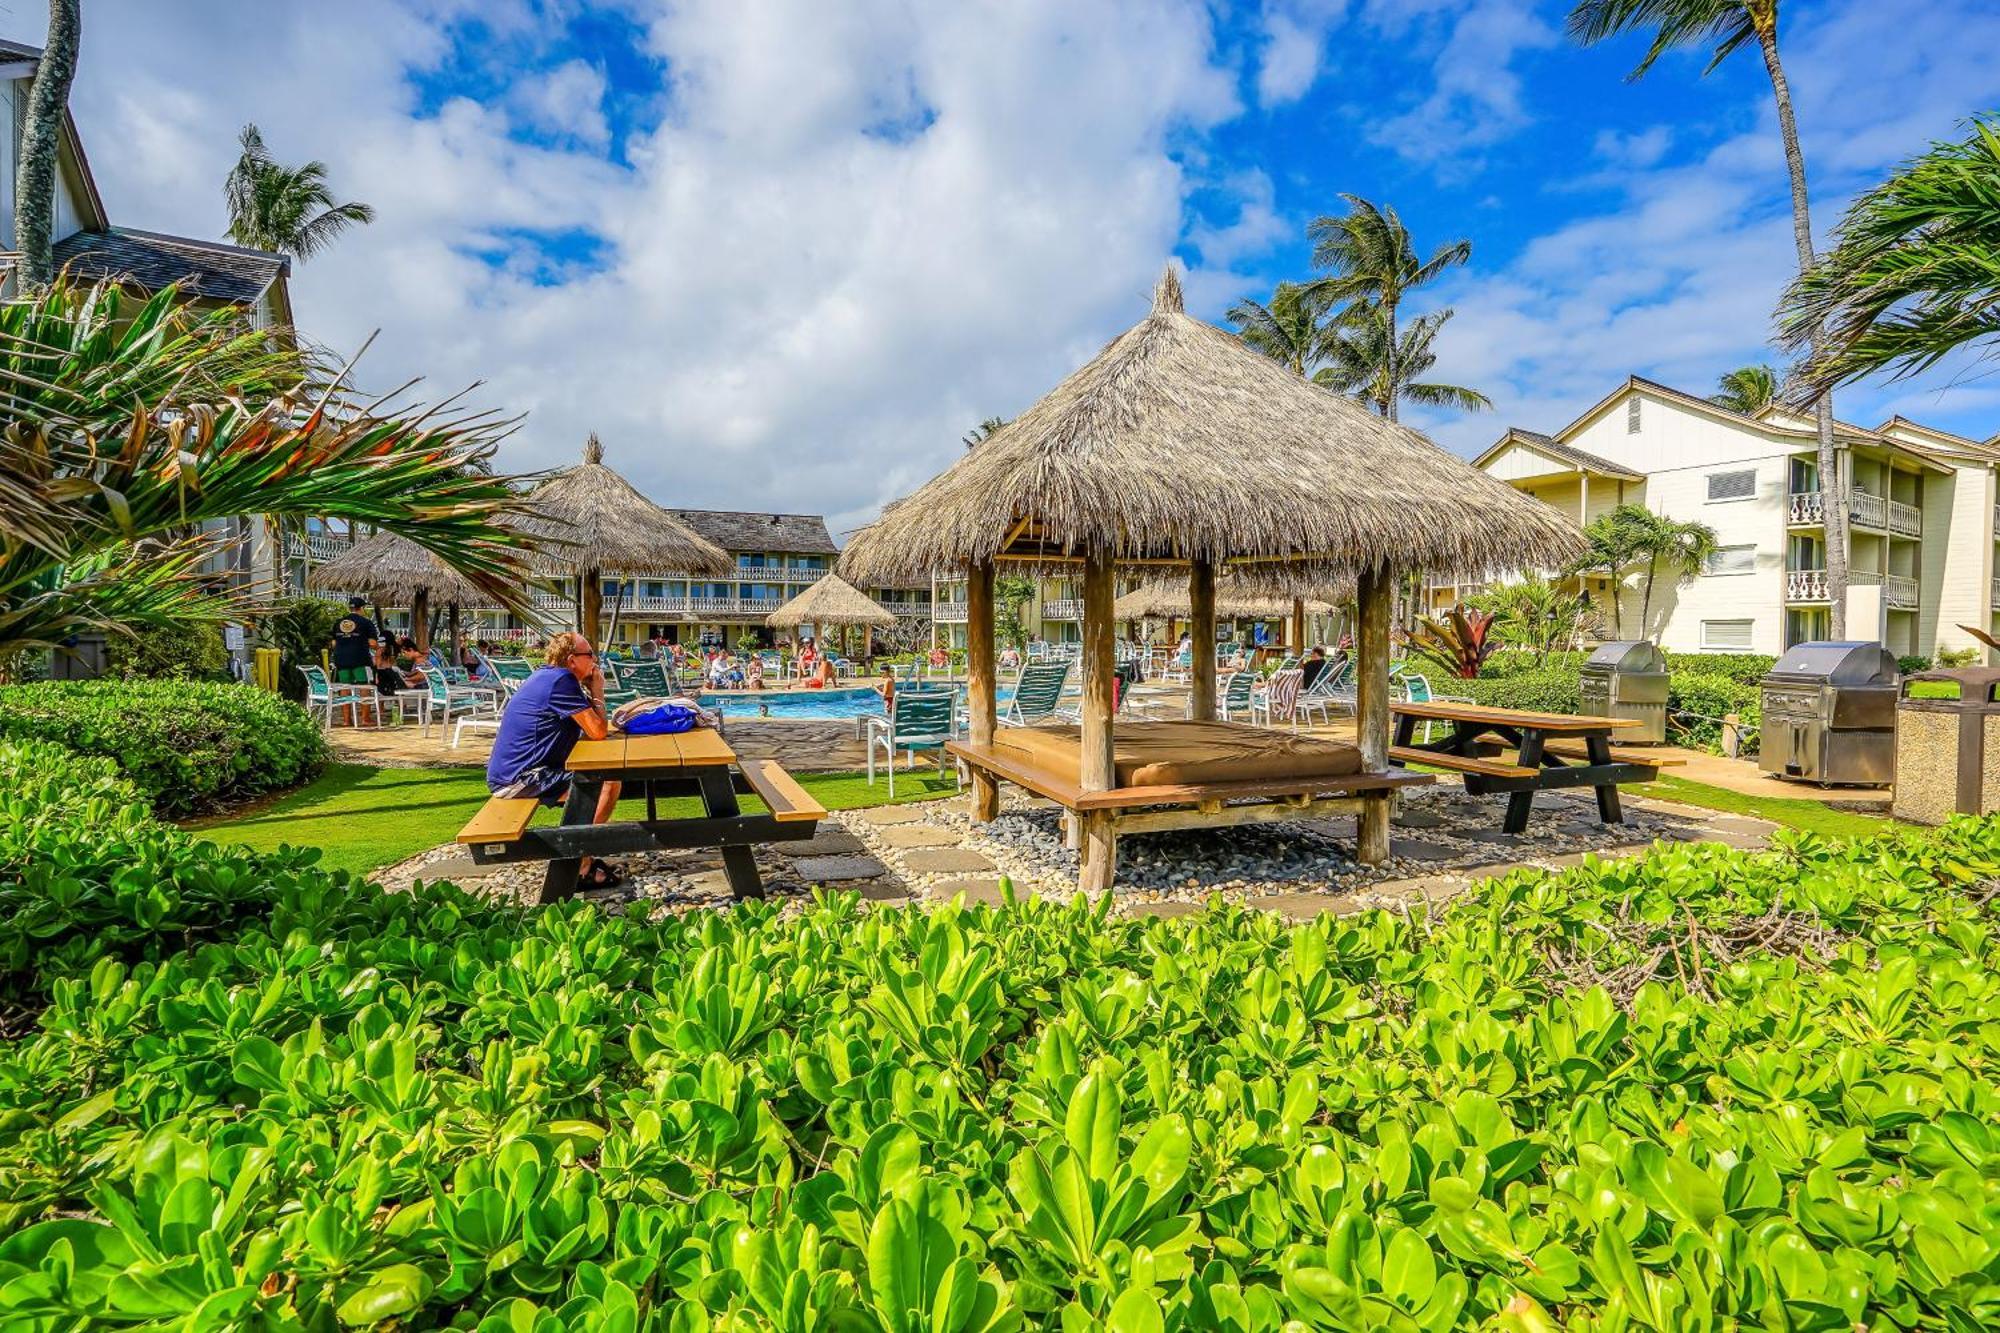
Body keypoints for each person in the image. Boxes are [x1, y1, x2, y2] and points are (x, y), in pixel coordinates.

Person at [486, 632, 624, 890]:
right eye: (590, 655)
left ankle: (581, 855)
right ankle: (580, 863)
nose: (595, 660)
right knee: (605, 784)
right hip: (519, 778)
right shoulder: (561, 681)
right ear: (572, 660)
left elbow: (588, 728)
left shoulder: (549, 676)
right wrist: (597, 689)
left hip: (521, 772)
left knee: (600, 779)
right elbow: (597, 731)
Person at [330, 597, 377, 687]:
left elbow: (334, 644)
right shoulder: (366, 622)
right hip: (360, 660)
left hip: (341, 659)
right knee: (363, 685)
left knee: (345, 686)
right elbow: (372, 643)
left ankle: (347, 702)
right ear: (362, 608)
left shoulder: (338, 622)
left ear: (350, 608)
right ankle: (363, 701)